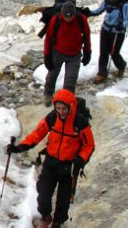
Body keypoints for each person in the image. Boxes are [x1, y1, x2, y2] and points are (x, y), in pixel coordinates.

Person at [7, 89, 95, 228]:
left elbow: (89, 145)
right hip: (51, 163)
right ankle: (45, 216)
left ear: (71, 106)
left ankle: (58, 222)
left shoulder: (80, 122)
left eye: (64, 108)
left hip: (69, 168)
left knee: (63, 200)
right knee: (43, 195)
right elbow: (37, 134)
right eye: (58, 108)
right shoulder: (53, 117)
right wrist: (20, 147)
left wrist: (80, 159)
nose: (61, 112)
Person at [42, 2, 91, 106]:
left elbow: (87, 35)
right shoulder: (56, 19)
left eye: (71, 17)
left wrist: (87, 51)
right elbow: (48, 38)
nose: (68, 19)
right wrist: (47, 55)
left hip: (75, 54)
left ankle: (66, 101)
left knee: (70, 80)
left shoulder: (81, 19)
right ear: (62, 14)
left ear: (74, 14)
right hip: (58, 52)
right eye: (66, 17)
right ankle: (48, 94)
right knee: (51, 76)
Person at [87, 0, 128, 83]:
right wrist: (88, 13)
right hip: (105, 30)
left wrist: (123, 25)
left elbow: (127, 18)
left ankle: (121, 65)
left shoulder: (124, 3)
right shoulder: (107, 1)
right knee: (103, 52)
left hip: (118, 32)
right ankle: (102, 73)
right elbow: (99, 11)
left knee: (114, 53)